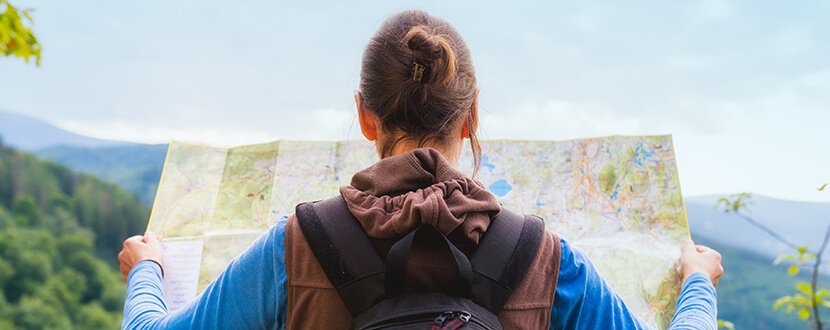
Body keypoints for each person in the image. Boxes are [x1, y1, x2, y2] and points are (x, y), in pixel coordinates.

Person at [118, 10, 723, 330]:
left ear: (363, 115)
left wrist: (147, 273)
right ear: (472, 116)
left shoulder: (296, 248)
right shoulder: (544, 259)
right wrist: (697, 283)